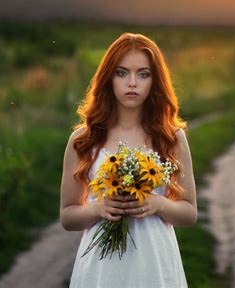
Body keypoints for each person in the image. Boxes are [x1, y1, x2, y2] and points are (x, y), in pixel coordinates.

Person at [60, 33, 197, 287]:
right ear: (108, 78)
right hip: (101, 270)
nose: (132, 83)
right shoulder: (83, 139)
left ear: (155, 81)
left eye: (143, 74)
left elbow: (189, 213)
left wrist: (158, 204)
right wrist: (98, 208)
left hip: (154, 265)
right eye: (122, 73)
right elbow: (67, 217)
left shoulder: (170, 137)